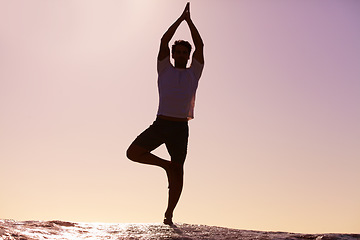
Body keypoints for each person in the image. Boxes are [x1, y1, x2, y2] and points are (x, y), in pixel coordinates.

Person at [126, 2, 204, 225]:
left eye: (184, 52)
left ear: (188, 56)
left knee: (179, 172)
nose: (180, 55)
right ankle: (165, 165)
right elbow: (163, 41)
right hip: (160, 125)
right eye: (177, 52)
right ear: (172, 54)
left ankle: (169, 214)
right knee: (132, 152)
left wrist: (190, 22)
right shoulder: (164, 68)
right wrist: (179, 19)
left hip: (181, 128)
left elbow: (200, 45)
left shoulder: (194, 73)